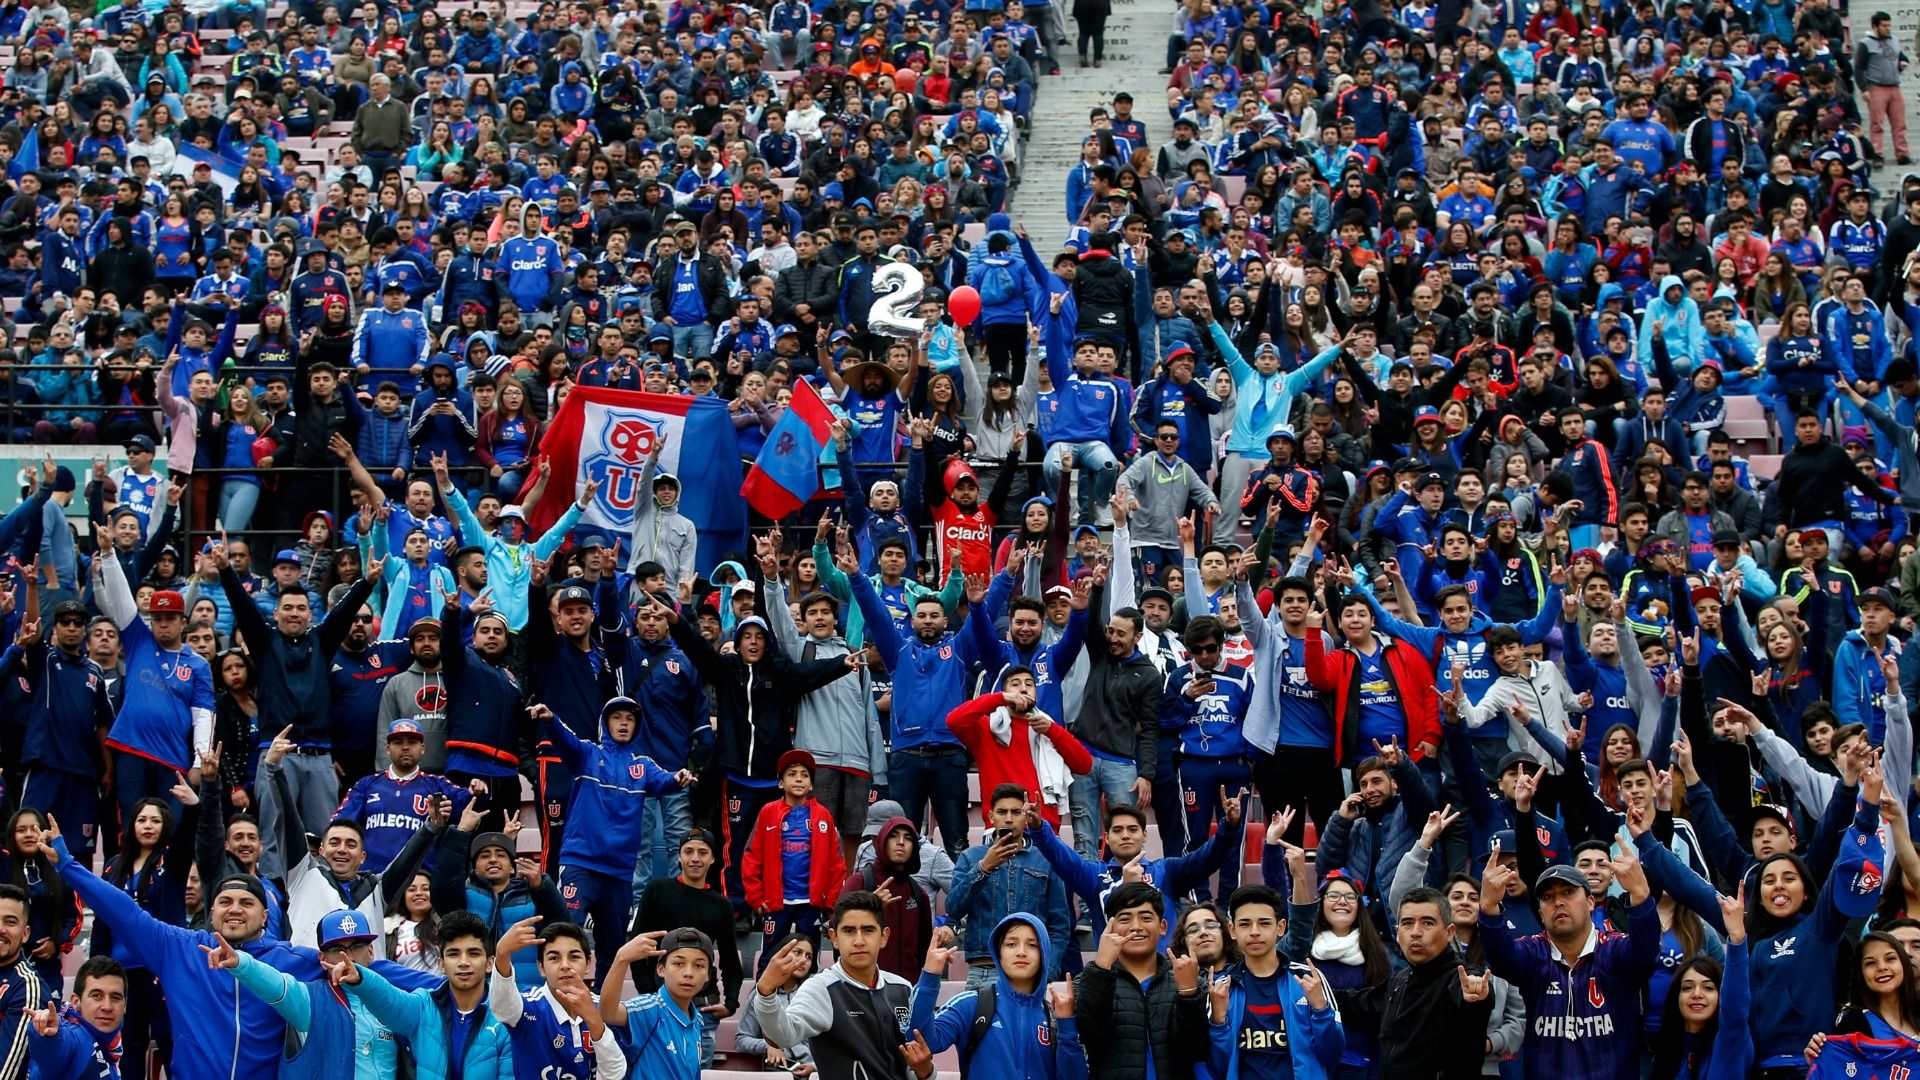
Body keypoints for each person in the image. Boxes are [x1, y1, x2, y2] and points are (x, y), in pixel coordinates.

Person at [531, 700, 694, 983]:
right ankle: (558, 999)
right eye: (616, 717)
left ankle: (600, 1013)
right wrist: (550, 719)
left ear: (636, 726)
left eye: (629, 719)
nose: (623, 723)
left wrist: (678, 778)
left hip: (618, 873)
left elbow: (666, 780)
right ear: (605, 723)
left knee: (613, 948)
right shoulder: (587, 754)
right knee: (565, 932)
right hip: (580, 862)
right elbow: (564, 738)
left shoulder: (642, 766)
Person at [751, 892, 924, 1080]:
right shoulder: (821, 988)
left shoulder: (902, 988)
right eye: (849, 931)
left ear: (884, 936)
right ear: (834, 938)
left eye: (868, 930)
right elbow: (782, 1036)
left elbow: (915, 1063)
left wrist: (927, 1072)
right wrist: (766, 993)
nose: (859, 941)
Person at [336, 909, 513, 1080]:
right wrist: (360, 978)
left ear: (490, 963)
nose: (463, 962)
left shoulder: (505, 1017)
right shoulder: (424, 1006)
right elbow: (389, 1000)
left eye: (473, 953)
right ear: (441, 964)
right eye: (453, 954)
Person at [911, 914, 1087, 1078]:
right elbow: (920, 1042)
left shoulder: (1053, 1017)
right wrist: (929, 976)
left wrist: (1066, 1026)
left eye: (1032, 945)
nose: (1021, 952)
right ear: (998, 953)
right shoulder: (971, 1004)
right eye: (1011, 944)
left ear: (1044, 955)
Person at [1205, 884, 1347, 1079]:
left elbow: (1334, 1053)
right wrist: (1218, 1023)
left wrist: (1321, 1010)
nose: (1254, 931)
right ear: (1232, 930)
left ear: (1280, 927)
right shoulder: (1221, 988)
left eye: (1264, 923)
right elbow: (1216, 1066)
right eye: (1245, 924)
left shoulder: (1309, 979)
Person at [1075, 882, 1207, 1079]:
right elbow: (1091, 1036)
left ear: (1162, 927)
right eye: (1125, 918)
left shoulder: (1186, 979)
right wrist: (1102, 968)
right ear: (1109, 926)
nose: (1136, 927)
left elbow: (1196, 1050)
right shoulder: (1090, 980)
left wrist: (1188, 993)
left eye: (1146, 918)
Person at [740, 750, 846, 970]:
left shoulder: (823, 815)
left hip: (811, 903)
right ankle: (762, 1003)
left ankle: (808, 1003)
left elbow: (837, 863)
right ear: (780, 783)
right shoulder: (768, 812)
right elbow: (751, 856)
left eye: (805, 775)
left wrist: (830, 902)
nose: (799, 778)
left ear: (811, 786)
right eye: (792, 774)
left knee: (810, 960)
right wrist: (756, 897)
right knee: (770, 957)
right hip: (776, 902)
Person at [487, 918, 628, 1080]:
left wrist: (593, 1019)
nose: (565, 965)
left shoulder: (605, 1008)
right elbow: (502, 1008)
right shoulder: (528, 1006)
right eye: (554, 958)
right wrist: (502, 955)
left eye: (574, 957)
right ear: (541, 967)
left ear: (589, 963)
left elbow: (615, 1074)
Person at [602, 926, 715, 1080]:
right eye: (678, 964)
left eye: (699, 966)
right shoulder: (650, 1008)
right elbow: (609, 1014)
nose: (688, 973)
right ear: (661, 969)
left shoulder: (698, 1020)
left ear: (708, 975)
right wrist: (622, 959)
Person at [23, 955, 125, 1080]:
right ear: (76, 1001)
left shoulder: (112, 1043)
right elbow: (58, 1048)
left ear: (125, 1006)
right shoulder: (74, 1036)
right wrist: (50, 1035)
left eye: (115, 997)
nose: (107, 1007)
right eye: (97, 996)